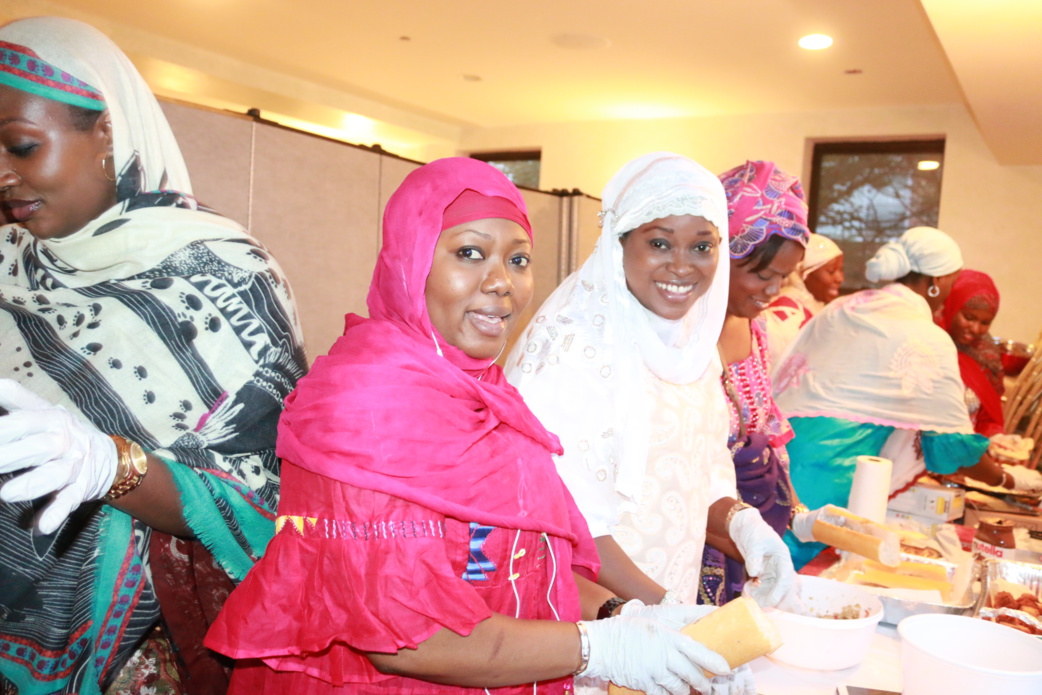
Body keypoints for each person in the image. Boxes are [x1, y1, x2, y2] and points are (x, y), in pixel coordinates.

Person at [206, 157, 737, 695]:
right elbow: (412, 640)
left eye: (519, 259)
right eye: (469, 253)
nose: (502, 282)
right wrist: (601, 648)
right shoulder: (365, 404)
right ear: (411, 260)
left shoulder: (488, 395)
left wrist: (634, 616)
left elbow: (524, 569)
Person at [0, 16, 308, 695]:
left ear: (106, 130)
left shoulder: (223, 276)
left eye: (22, 146)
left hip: (135, 654)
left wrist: (113, 463)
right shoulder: (8, 265)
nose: (2, 173)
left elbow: (267, 494)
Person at [506, 152, 793, 693]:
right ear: (620, 243)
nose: (682, 266)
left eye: (702, 246)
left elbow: (698, 470)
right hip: (595, 625)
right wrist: (663, 611)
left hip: (666, 609)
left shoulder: (693, 345)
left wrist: (743, 526)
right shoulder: (571, 346)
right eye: (659, 242)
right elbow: (566, 526)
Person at [775, 227, 1042, 568]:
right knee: (798, 568)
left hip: (783, 452)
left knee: (765, 558)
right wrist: (1010, 480)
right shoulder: (925, 336)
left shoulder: (844, 306)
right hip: (838, 467)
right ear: (938, 280)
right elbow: (950, 447)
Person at [699, 161, 810, 605]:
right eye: (762, 275)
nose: (772, 291)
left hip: (748, 525)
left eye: (783, 277)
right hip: (700, 532)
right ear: (722, 255)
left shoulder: (755, 329)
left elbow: (766, 421)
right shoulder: (682, 337)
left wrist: (799, 511)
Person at [936, 269, 1005, 437]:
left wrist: (995, 439)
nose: (975, 329)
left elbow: (988, 417)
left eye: (985, 322)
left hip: (968, 452)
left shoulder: (987, 357)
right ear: (951, 306)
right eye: (969, 317)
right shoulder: (930, 345)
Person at [764, 232, 844, 365]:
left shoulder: (813, 305)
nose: (840, 278)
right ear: (802, 273)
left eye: (841, 270)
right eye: (831, 271)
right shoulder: (787, 311)